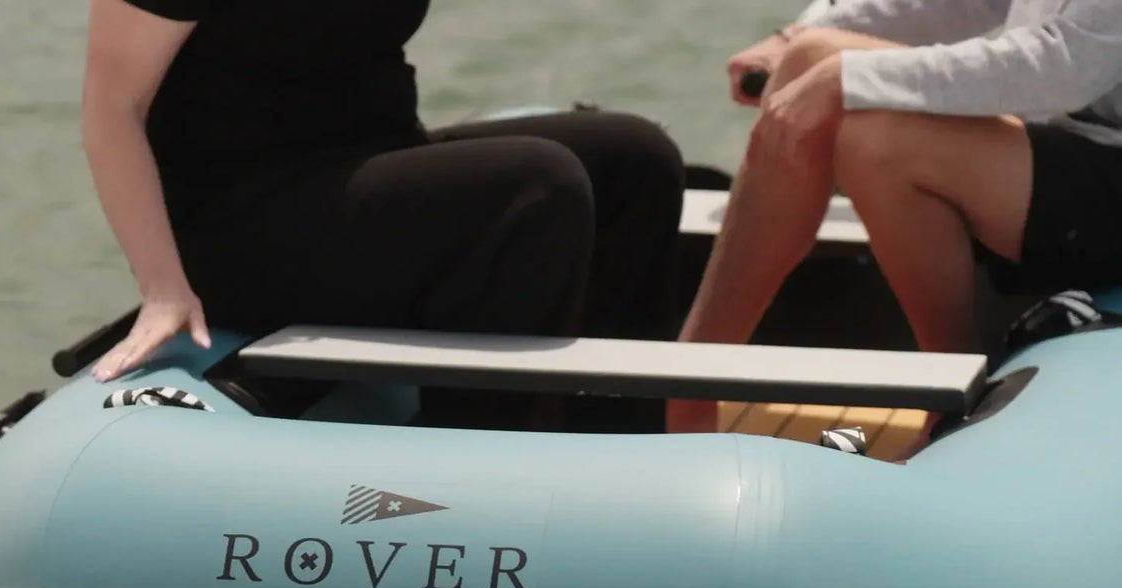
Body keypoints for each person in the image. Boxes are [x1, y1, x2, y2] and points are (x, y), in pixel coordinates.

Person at [80, 0, 687, 431]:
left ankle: (615, 440)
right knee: (538, 187)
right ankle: (475, 478)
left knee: (636, 160)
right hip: (245, 219)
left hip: (363, 166)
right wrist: (161, 286)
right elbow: (113, 105)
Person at [667, 0, 1122, 451]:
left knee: (878, 143)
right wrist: (798, 39)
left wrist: (848, 78)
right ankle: (691, 386)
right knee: (811, 55)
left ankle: (953, 401)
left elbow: (1063, 67)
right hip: (1062, 143)